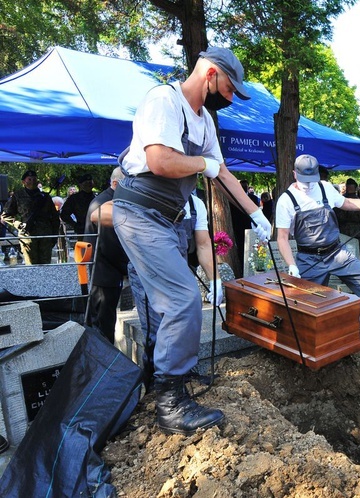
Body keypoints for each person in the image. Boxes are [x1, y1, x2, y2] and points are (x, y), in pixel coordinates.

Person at [112, 46, 272, 435]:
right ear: (211, 74)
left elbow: (224, 173)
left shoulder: (205, 122)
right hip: (139, 213)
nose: (231, 99)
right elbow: (161, 162)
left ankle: (169, 381)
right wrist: (203, 163)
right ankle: (169, 405)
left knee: (172, 300)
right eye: (231, 89)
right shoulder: (164, 100)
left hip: (166, 219)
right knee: (183, 298)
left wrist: (255, 212)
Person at [276, 154, 360, 329]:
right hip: (309, 259)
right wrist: (291, 264)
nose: (308, 185)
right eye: (305, 180)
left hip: (336, 253)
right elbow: (282, 237)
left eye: (312, 180)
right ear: (295, 174)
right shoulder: (286, 200)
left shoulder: (325, 187)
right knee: (304, 304)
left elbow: (347, 203)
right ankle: (301, 341)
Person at [129, 192, 223, 387]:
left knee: (185, 326)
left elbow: (204, 245)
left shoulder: (195, 204)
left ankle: (184, 377)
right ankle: (158, 388)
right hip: (149, 275)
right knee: (156, 332)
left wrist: (215, 280)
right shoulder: (147, 194)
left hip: (178, 274)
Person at [84, 167, 129, 343]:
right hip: (104, 273)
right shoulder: (104, 204)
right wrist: (128, 268)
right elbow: (110, 245)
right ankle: (106, 364)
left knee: (104, 321)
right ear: (116, 184)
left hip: (104, 271)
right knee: (103, 325)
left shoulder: (107, 199)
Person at [1, 170, 59, 264]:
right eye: (29, 179)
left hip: (45, 237)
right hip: (27, 237)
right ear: (23, 182)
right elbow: (5, 215)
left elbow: (55, 218)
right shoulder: (18, 196)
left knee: (46, 266)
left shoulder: (45, 197)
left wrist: (54, 236)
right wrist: (19, 224)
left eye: (34, 179)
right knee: (31, 267)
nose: (32, 181)